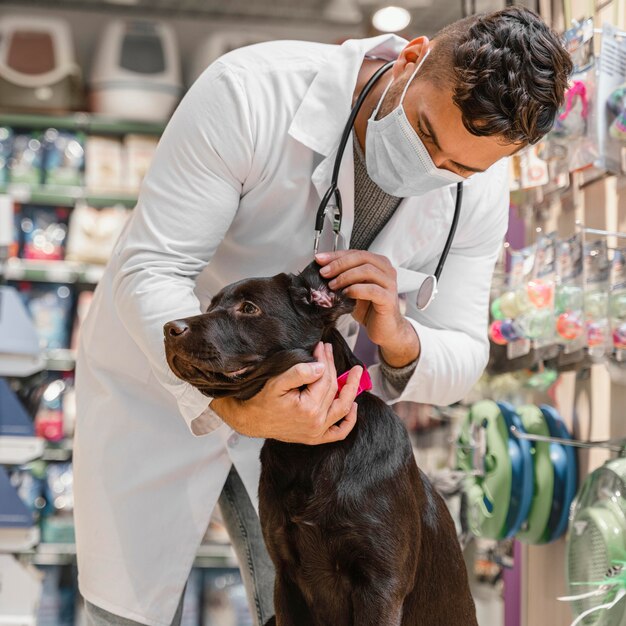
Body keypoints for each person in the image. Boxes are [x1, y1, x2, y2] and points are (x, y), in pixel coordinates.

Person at [74, 6, 572, 625]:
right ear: (410, 58)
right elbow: (151, 270)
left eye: (461, 167)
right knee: (128, 612)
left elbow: (464, 355)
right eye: (424, 133)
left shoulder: (480, 190)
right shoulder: (250, 93)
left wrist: (397, 335)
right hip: (166, 383)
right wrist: (233, 405)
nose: (433, 168)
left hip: (315, 436)